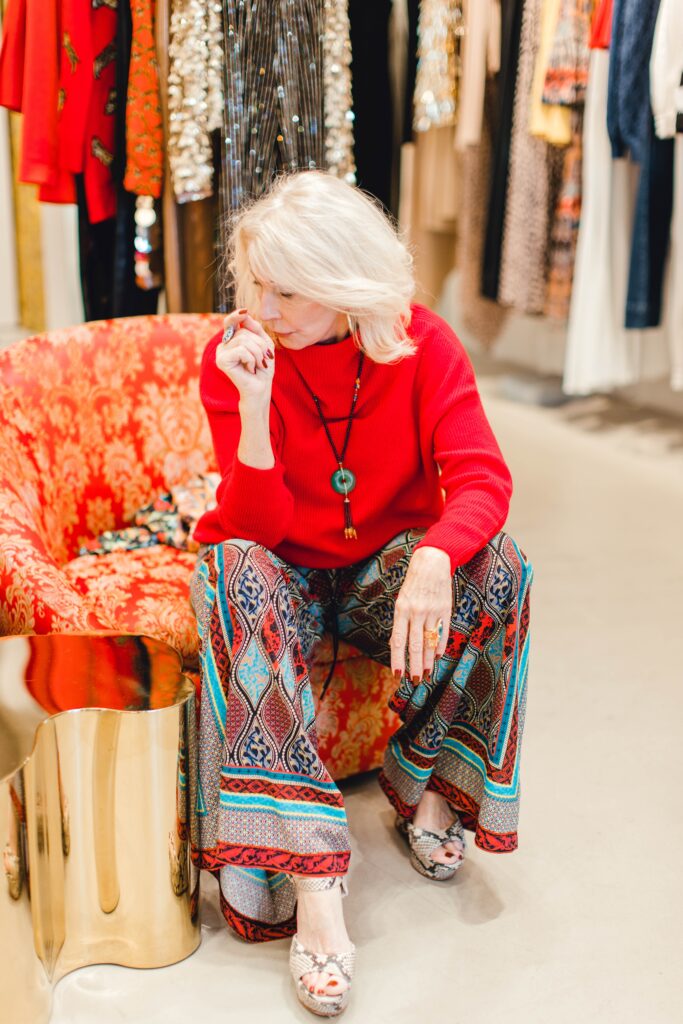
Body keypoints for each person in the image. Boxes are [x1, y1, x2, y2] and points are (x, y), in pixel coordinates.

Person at [190, 171, 532, 1017]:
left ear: (347, 284)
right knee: (231, 570)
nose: (265, 309)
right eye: (255, 284)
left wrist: (433, 558)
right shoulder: (237, 358)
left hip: (381, 568)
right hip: (286, 571)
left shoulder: (421, 344)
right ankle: (313, 883)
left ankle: (425, 790)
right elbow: (254, 527)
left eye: (290, 290)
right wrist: (258, 404)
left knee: (499, 568)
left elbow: (481, 477)